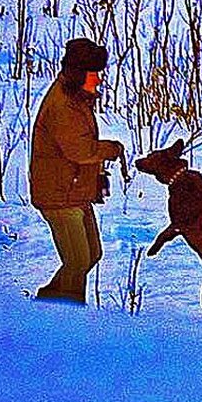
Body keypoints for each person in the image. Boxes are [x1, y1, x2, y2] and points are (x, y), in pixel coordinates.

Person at [29, 37, 124, 304]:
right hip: (58, 196)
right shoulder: (63, 106)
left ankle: (50, 301)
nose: (99, 80)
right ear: (80, 73)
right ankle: (67, 315)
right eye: (95, 74)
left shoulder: (75, 96)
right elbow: (80, 151)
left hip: (74, 191)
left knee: (91, 255)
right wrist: (111, 149)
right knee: (78, 260)